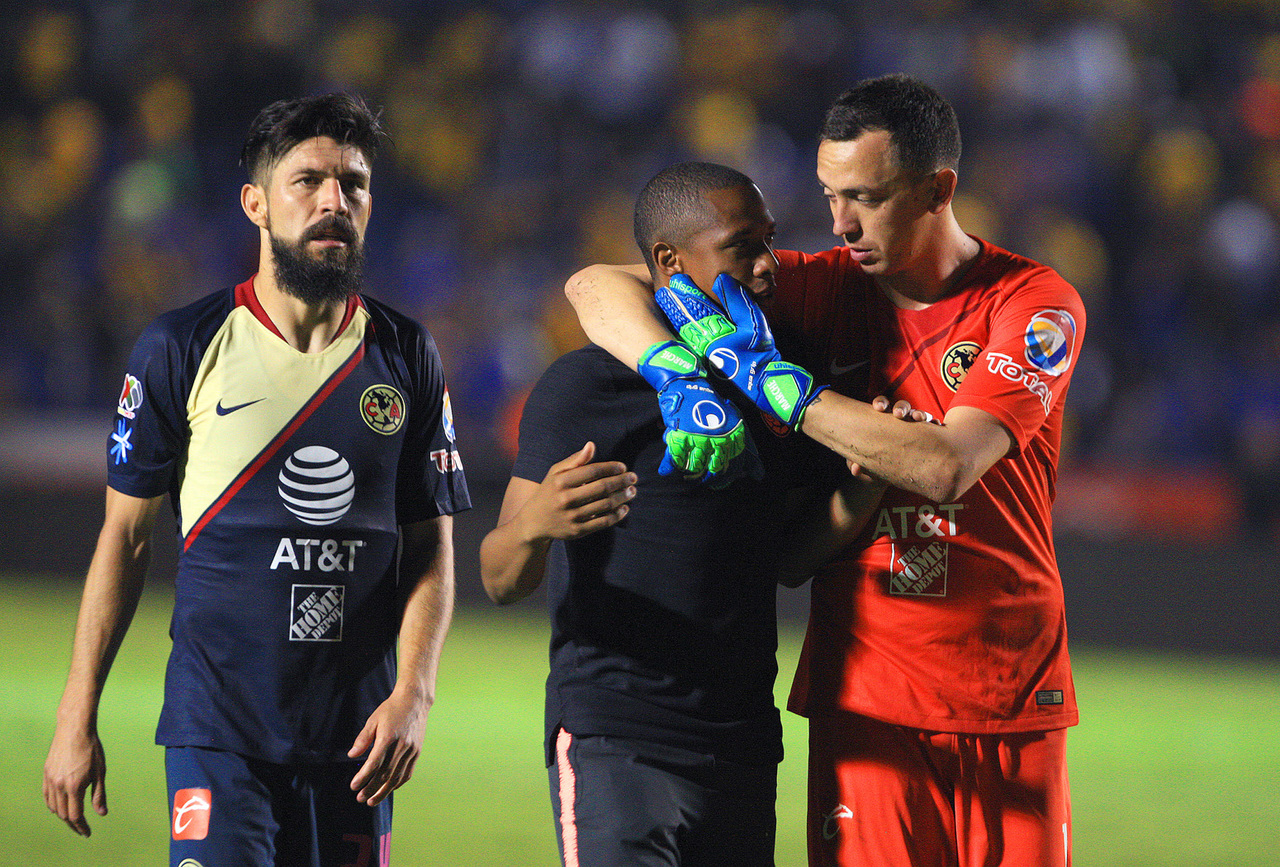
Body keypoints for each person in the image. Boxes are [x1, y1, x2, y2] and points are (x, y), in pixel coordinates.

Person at [565, 74, 1085, 867]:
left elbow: (946, 466)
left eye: (866, 198)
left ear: (938, 189)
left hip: (1009, 693)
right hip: (868, 698)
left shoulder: (1032, 302)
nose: (840, 223)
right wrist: (674, 370)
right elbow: (596, 285)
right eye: (830, 195)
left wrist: (779, 385)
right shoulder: (821, 287)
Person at [43, 92, 470, 867]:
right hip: (218, 730)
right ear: (257, 204)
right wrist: (78, 712)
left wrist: (415, 693)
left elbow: (431, 549)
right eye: (308, 181)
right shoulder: (182, 345)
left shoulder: (408, 353)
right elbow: (124, 537)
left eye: (354, 183)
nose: (335, 201)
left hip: (358, 741)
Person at [481, 161, 890, 867]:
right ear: (670, 260)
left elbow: (787, 560)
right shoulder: (588, 384)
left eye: (768, 241)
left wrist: (862, 488)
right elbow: (498, 577)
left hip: (743, 741)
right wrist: (535, 524)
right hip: (617, 733)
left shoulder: (778, 379)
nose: (766, 265)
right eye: (742, 247)